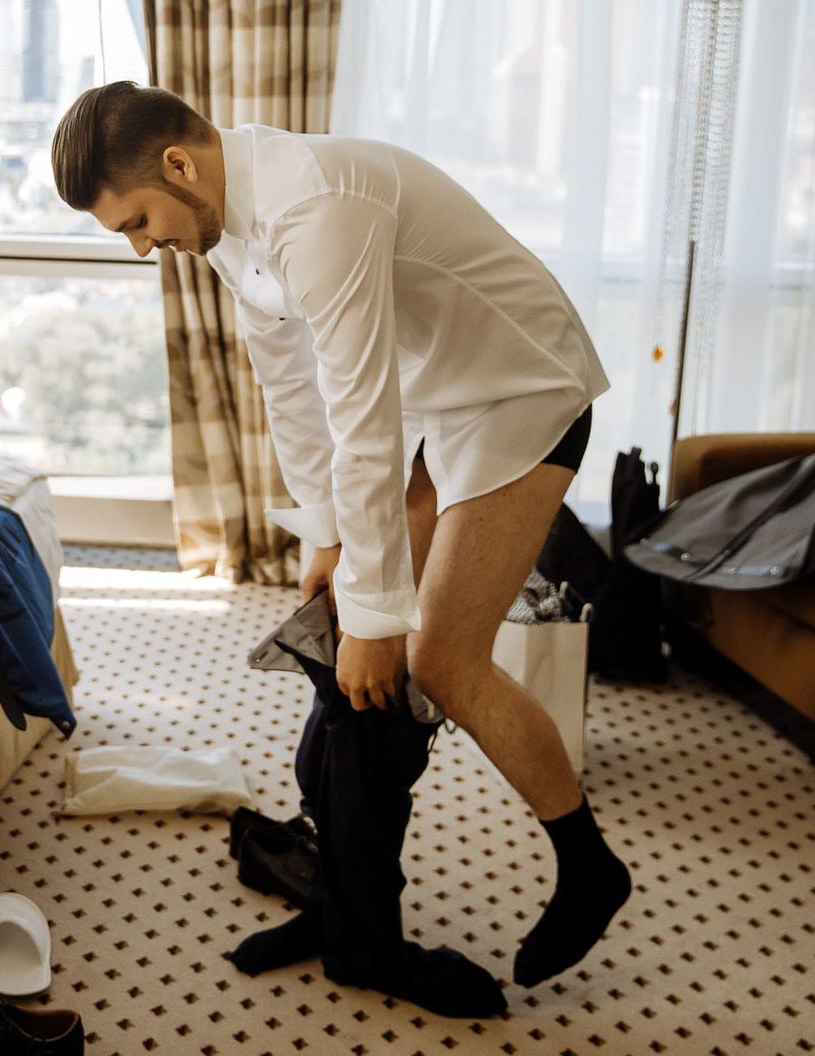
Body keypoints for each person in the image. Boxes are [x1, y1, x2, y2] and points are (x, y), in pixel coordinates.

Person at [49, 81, 632, 988]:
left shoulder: (317, 208)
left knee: (437, 660)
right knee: (349, 661)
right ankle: (349, 910)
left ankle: (588, 864)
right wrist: (326, 538)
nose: (141, 246)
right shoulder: (224, 222)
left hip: (524, 392)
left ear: (176, 164)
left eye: (136, 221)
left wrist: (372, 613)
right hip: (444, 399)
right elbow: (290, 388)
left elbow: (362, 418)